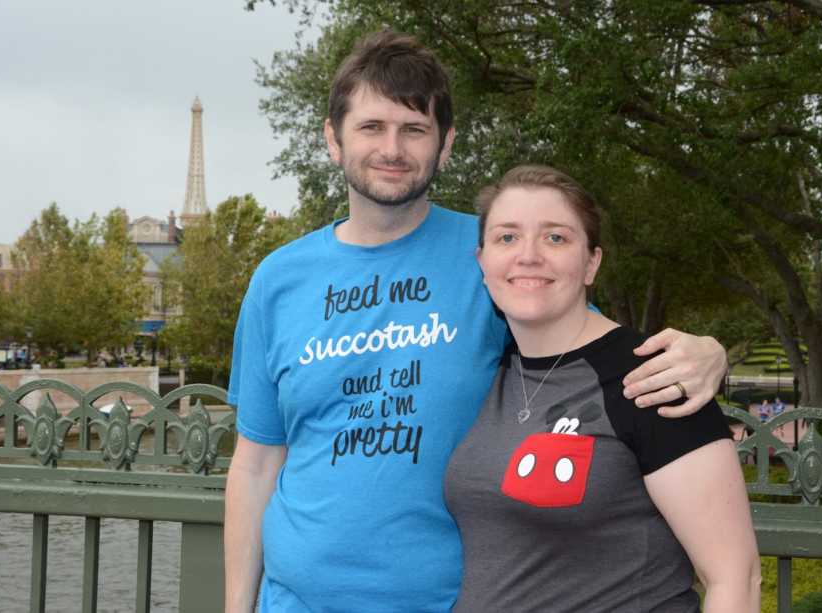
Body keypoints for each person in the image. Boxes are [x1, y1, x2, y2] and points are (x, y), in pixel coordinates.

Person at [224, 31, 730, 613]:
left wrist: (709, 353)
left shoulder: (497, 254)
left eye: (414, 129)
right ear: (333, 140)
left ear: (445, 145)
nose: (392, 148)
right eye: (371, 127)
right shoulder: (277, 280)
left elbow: (598, 354)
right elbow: (257, 462)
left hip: (452, 600)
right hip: (293, 602)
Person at [445, 165, 760, 612]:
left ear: (591, 261)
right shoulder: (486, 373)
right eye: (507, 237)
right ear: (482, 261)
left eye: (556, 237)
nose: (528, 255)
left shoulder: (653, 378)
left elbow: (735, 578)